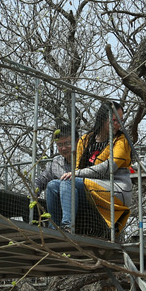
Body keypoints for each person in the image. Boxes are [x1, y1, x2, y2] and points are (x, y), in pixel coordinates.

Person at [45, 101, 133, 235]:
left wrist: (76, 174)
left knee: (69, 180)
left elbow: (107, 168)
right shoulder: (85, 140)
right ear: (103, 119)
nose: (118, 124)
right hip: (89, 184)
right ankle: (54, 229)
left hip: (115, 188)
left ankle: (68, 227)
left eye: (120, 120)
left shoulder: (122, 141)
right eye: (114, 120)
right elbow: (78, 166)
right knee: (52, 185)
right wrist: (76, 173)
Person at [33, 124, 75, 196]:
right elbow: (40, 181)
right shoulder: (56, 162)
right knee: (52, 185)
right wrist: (33, 195)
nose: (64, 148)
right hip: (61, 203)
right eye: (60, 145)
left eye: (67, 143)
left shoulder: (87, 159)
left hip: (85, 201)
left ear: (77, 141)